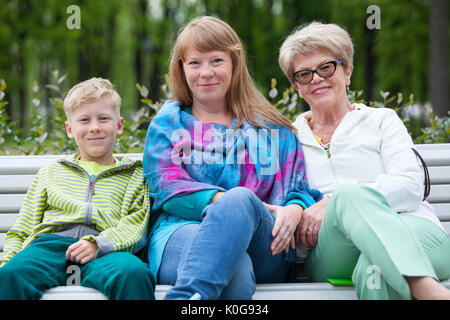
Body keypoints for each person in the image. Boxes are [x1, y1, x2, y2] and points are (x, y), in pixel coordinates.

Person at [143, 16, 322, 300]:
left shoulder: (272, 128)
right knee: (233, 267)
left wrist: (295, 209)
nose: (206, 72)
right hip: (181, 232)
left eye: (216, 61)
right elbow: (169, 189)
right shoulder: (168, 126)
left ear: (234, 63)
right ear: (182, 69)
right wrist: (230, 204)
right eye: (194, 63)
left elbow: (298, 190)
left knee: (239, 201)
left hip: (266, 242)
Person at [278, 22, 450, 300]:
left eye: (326, 67)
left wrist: (336, 201)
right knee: (347, 198)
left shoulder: (382, 120)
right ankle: (426, 289)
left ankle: (417, 282)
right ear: (297, 86)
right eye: (304, 74)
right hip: (333, 250)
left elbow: (409, 187)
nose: (317, 79)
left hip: (416, 231)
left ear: (347, 72)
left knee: (374, 268)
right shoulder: (287, 139)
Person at [0, 77, 155, 300]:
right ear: (70, 129)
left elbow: (135, 225)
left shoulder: (135, 174)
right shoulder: (51, 172)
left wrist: (97, 244)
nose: (94, 127)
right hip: (50, 248)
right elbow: (23, 227)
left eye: (103, 118)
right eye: (84, 120)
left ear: (119, 125)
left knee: (134, 273)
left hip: (106, 251)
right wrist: (9, 262)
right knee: (10, 276)